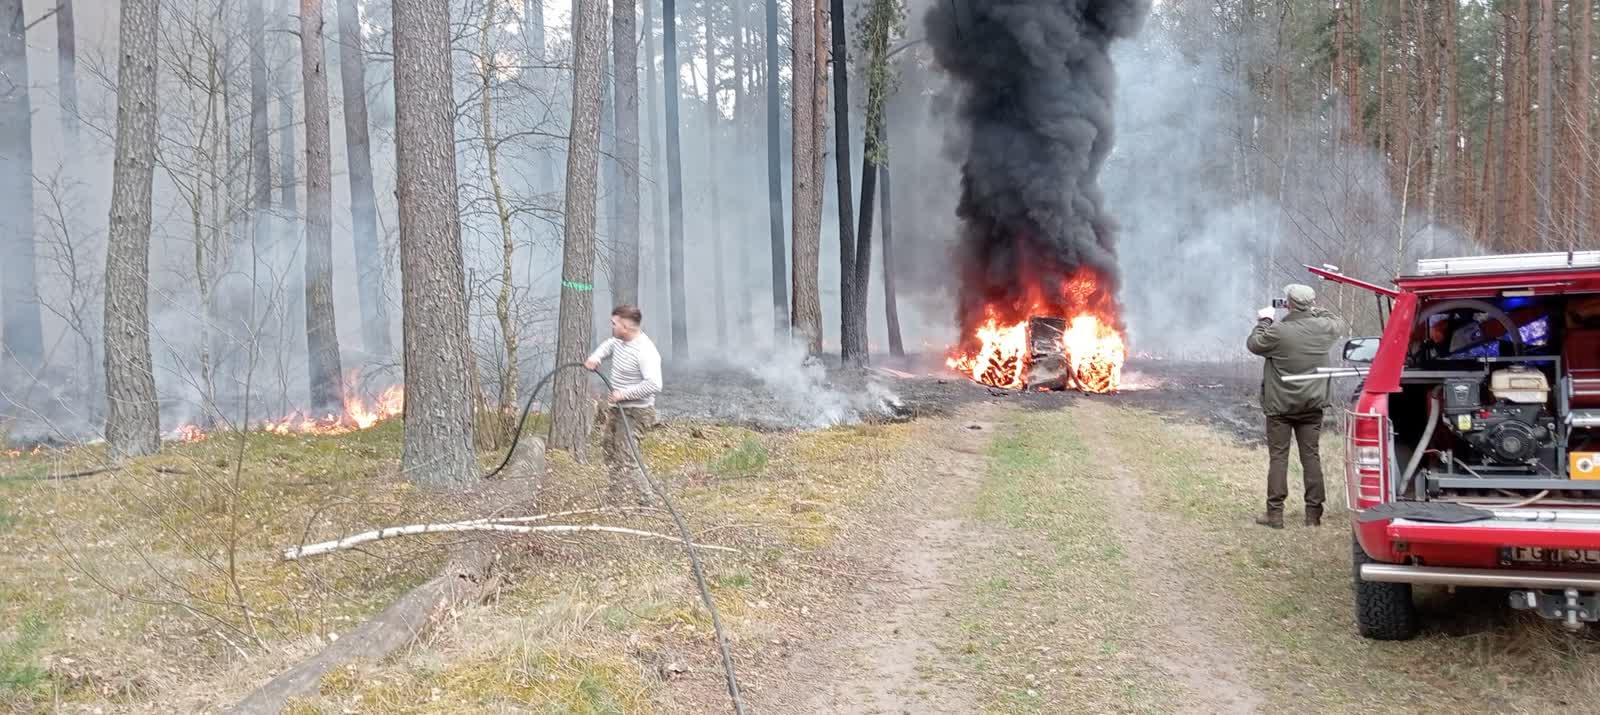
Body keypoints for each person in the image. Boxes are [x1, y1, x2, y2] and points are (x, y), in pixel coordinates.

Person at [1246, 284, 1347, 529]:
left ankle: (1275, 514)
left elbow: (1254, 344)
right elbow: (1337, 320)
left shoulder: (1279, 331)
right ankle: (1313, 516)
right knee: (1311, 456)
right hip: (1312, 406)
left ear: (1288, 304)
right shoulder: (1325, 328)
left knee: (1278, 458)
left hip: (1280, 407)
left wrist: (1265, 320)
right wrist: (1310, 308)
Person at [584, 304, 664, 505]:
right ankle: (615, 497)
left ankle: (647, 502)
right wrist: (596, 356)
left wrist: (623, 394)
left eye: (614, 324)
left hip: (637, 412)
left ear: (627, 327)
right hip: (619, 409)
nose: (612, 327)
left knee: (627, 456)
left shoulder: (645, 351)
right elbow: (609, 345)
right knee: (610, 450)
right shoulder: (619, 341)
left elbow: (654, 384)